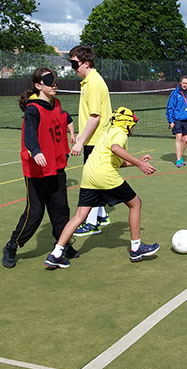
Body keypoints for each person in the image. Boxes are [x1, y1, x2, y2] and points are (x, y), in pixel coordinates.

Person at [44, 107, 159, 268]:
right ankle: (136, 248)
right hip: (105, 176)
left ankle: (56, 253)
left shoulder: (109, 132)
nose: (133, 127)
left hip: (89, 175)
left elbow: (114, 160)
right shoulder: (120, 134)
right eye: (133, 124)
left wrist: (136, 161)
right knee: (135, 204)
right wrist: (139, 164)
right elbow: (115, 149)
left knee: (79, 215)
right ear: (126, 123)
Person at [1, 68, 79, 268]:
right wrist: (35, 150)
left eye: (55, 81)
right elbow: (29, 135)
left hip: (57, 165)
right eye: (48, 81)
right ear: (38, 85)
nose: (54, 85)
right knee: (35, 213)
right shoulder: (33, 109)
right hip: (37, 168)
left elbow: (63, 121)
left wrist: (69, 142)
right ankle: (12, 245)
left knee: (61, 209)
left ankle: (62, 245)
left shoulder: (56, 104)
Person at [68, 45, 113, 237]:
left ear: (86, 63)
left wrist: (80, 141)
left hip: (96, 140)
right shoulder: (88, 81)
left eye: (75, 64)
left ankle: (92, 222)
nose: (73, 68)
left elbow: (95, 117)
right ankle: (101, 215)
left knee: (91, 181)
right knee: (97, 178)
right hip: (94, 139)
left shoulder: (94, 83)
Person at [166, 76, 187, 167]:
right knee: (179, 137)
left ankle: (180, 156)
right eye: (183, 83)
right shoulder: (175, 93)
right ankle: (178, 160)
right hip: (177, 120)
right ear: (180, 83)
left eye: (186, 83)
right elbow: (170, 107)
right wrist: (171, 121)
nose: (185, 85)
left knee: (185, 140)